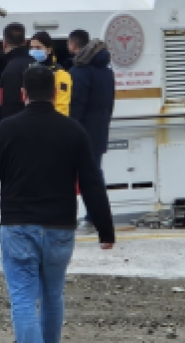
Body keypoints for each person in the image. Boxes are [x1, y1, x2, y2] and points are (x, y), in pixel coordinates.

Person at [0, 65, 115, 343]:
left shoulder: (7, 129)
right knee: (53, 295)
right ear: (54, 93)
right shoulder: (73, 131)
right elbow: (92, 183)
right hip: (60, 225)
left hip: (18, 224)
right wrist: (105, 229)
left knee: (23, 297)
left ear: (23, 93)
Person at [68, 30, 114, 235]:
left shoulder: (79, 72)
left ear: (73, 45)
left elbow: (76, 106)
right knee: (95, 173)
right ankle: (96, 216)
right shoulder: (107, 72)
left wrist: (69, 129)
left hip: (81, 132)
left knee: (74, 175)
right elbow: (109, 104)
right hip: (99, 129)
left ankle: (79, 218)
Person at [29, 33, 73, 116]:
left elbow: (62, 106)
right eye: (32, 47)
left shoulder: (60, 74)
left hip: (52, 120)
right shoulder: (30, 70)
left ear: (49, 50)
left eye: (38, 47)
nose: (34, 51)